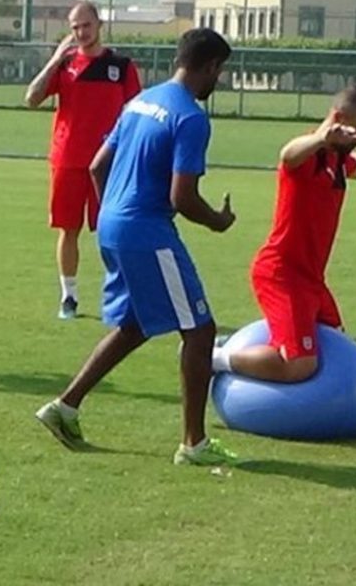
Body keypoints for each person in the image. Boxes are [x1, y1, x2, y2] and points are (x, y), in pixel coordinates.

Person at [35, 28, 239, 466]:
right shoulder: (190, 117)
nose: (217, 80)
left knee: (135, 325)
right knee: (200, 330)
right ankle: (194, 444)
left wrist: (115, 209)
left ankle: (64, 407)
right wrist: (218, 221)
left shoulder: (141, 102)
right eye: (219, 71)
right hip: (147, 232)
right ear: (210, 67)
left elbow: (98, 166)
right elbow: (182, 197)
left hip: (113, 225)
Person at [213, 86, 356, 382]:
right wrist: (321, 138)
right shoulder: (307, 157)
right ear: (339, 118)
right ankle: (211, 357)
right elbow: (287, 155)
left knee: (337, 345)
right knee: (299, 365)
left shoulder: (338, 160)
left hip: (311, 281)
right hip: (282, 275)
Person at [24, 0, 141, 319]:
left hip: (108, 163)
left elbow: (135, 112)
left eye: (86, 25)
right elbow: (31, 98)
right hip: (68, 160)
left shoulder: (121, 66)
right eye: (75, 27)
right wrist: (54, 61)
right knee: (68, 229)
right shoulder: (64, 66)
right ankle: (69, 296)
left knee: (113, 229)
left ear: (99, 24)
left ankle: (120, 296)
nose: (81, 32)